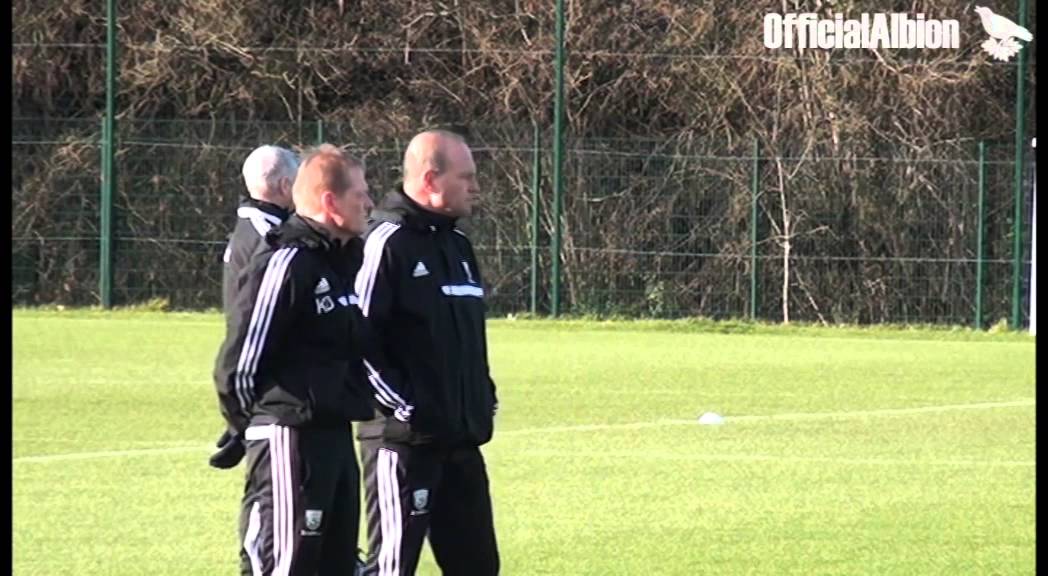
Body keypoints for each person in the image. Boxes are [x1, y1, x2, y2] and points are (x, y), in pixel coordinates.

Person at [213, 144, 375, 575]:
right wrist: (253, 423)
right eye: (360, 193)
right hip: (290, 436)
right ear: (329, 200)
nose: (369, 203)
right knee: (287, 562)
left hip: (334, 433)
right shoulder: (286, 261)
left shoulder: (340, 262)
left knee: (337, 563)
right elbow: (240, 359)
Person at [354, 130, 499, 576]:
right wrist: (405, 406)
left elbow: (468, 338)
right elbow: (356, 335)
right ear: (432, 179)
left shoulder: (458, 246)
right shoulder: (385, 242)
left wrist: (482, 393)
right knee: (394, 567)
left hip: (461, 439)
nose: (476, 187)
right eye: (467, 177)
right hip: (405, 444)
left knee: (478, 567)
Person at [211, 145, 299, 470]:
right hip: (272, 387)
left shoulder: (247, 227)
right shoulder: (272, 237)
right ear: (286, 186)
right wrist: (240, 418)